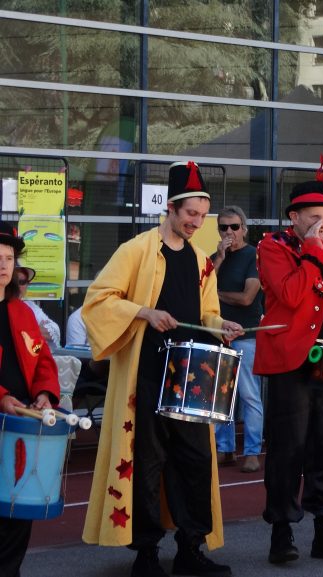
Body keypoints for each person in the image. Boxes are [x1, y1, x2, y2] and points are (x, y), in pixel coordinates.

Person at [81, 160, 244, 577]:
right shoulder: (135, 249)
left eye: (201, 216)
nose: (196, 222)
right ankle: (147, 554)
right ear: (171, 208)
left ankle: (191, 548)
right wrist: (145, 312)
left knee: (194, 461)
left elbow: (207, 313)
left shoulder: (203, 261)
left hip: (192, 377)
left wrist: (219, 324)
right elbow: (98, 300)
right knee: (147, 464)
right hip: (148, 375)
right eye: (191, 214)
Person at [254, 174, 323, 565]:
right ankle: (281, 531)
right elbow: (293, 294)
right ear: (294, 216)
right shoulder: (273, 246)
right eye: (315, 216)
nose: (322, 223)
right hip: (290, 356)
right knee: (288, 446)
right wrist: (314, 247)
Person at [0, 222, 60, 577]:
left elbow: (43, 360)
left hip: (19, 422)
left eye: (9, 258)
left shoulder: (23, 311)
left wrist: (43, 394)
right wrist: (3, 397)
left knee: (18, 509)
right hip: (4, 410)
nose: (4, 265)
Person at [211, 206, 264, 474]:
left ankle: (252, 451)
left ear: (244, 228)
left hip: (246, 336)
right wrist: (219, 258)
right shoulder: (214, 258)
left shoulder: (254, 255)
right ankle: (224, 449)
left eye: (234, 226)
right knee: (222, 396)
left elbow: (246, 298)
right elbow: (202, 288)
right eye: (223, 227)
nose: (229, 232)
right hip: (220, 335)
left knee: (249, 395)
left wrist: (217, 294)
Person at [14, 266, 61, 349]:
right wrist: (36, 330)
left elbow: (55, 330)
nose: (17, 286)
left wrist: (29, 332)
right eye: (13, 281)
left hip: (30, 357)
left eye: (22, 282)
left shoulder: (30, 306)